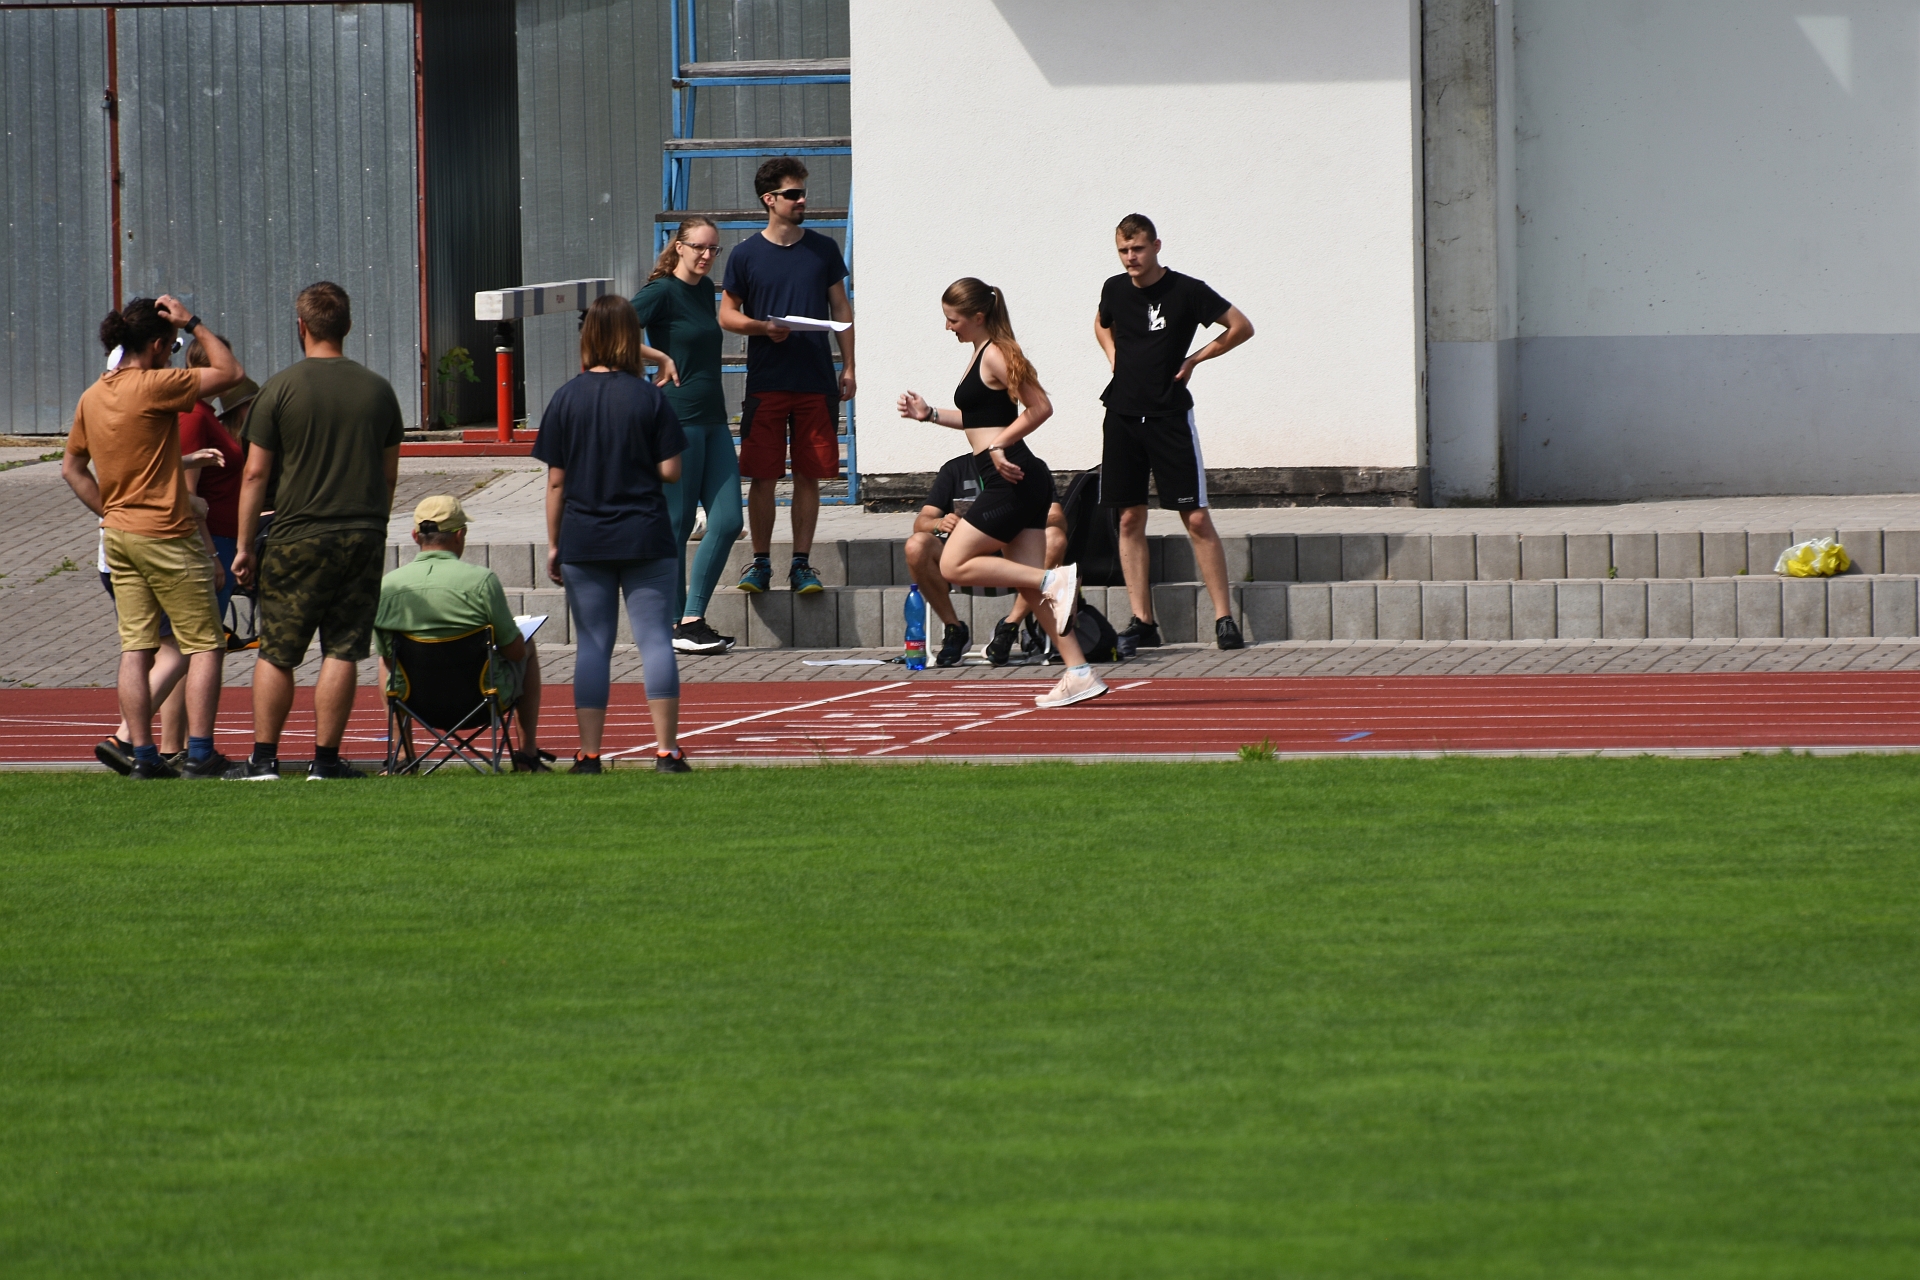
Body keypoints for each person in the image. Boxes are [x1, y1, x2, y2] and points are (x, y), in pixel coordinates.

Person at [895, 278, 1106, 710]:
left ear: (978, 316)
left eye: (953, 320)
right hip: (1017, 477)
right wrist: (929, 414)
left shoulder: (997, 351)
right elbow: (980, 419)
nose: (948, 327)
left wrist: (998, 445)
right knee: (1031, 589)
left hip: (1011, 478)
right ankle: (1080, 672)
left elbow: (1040, 407)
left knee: (952, 563)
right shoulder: (981, 353)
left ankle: (1053, 578)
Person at [226, 282, 405, 781]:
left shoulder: (278, 390)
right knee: (343, 649)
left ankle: (264, 759)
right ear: (347, 326)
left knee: (278, 651)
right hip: (362, 532)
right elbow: (389, 475)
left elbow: (255, 475)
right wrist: (375, 523)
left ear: (301, 326)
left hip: (296, 535)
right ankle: (325, 761)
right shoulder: (379, 390)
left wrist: (243, 546)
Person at [63, 295, 244, 779]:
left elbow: (72, 469)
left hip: (119, 537)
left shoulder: (93, 395)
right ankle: (200, 754)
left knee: (137, 647)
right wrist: (194, 322)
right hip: (166, 533)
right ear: (160, 345)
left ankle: (142, 756)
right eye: (172, 345)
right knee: (205, 643)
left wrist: (111, 510)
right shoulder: (155, 385)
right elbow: (230, 372)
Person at [534, 294, 692, 774]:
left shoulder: (566, 397)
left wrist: (555, 543)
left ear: (588, 338)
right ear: (630, 338)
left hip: (585, 536)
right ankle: (666, 751)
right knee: (655, 641)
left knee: (593, 645)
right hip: (645, 534)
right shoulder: (649, 397)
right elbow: (672, 471)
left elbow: (556, 482)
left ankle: (589, 754)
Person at [1094, 213, 1255, 650]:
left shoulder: (1187, 290)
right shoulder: (1114, 288)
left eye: (1138, 249)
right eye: (1124, 250)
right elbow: (1101, 322)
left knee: (1196, 516)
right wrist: (1114, 356)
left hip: (1169, 416)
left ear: (1156, 246)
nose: (1131, 257)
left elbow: (1241, 327)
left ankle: (1223, 618)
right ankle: (1143, 621)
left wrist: (1195, 358)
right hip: (1122, 415)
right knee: (1129, 517)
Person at [719, 156, 854, 597]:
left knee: (808, 475)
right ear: (769, 200)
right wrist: (763, 328)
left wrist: (849, 366)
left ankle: (801, 564)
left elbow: (841, 309)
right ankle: (760, 563)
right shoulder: (745, 254)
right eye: (793, 194)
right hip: (767, 381)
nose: (802, 200)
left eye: (803, 193)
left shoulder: (823, 249)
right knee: (763, 475)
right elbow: (727, 314)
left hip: (815, 381)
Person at [374, 496, 550, 773]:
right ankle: (527, 755)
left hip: (415, 703)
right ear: (460, 535)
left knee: (386, 660)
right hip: (481, 700)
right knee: (527, 646)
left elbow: (387, 657)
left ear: (415, 536)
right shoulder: (482, 581)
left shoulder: (389, 586)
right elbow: (514, 652)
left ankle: (404, 758)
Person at [633, 215, 743, 655]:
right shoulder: (661, 290)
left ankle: (692, 617)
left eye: (714, 249)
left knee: (728, 521)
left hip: (713, 419)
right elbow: (605, 330)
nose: (706, 256)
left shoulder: (703, 290)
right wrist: (658, 357)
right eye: (699, 247)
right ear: (678, 246)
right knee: (676, 524)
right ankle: (677, 622)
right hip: (678, 419)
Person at [905, 451, 1068, 667]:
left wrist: (1019, 517)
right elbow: (921, 522)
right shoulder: (955, 468)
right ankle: (954, 630)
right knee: (916, 545)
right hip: (959, 561)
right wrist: (939, 523)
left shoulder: (1030, 466)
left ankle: (1009, 628)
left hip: (1014, 560)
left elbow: (1057, 518)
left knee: (1055, 538)